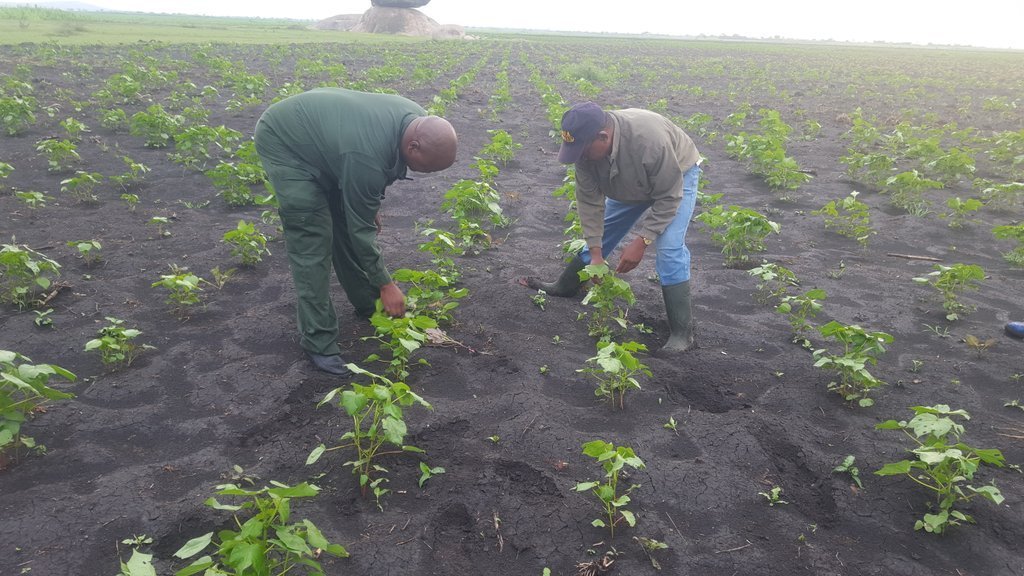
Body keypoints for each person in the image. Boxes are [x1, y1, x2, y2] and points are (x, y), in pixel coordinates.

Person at [254, 87, 457, 376]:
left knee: (344, 226)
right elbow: (361, 229)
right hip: (287, 142)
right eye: (426, 168)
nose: (426, 174)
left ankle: (368, 305)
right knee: (313, 240)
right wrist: (387, 284)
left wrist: (365, 202)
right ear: (413, 146)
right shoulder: (366, 156)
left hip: (333, 148)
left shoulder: (415, 120)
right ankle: (318, 341)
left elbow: (369, 179)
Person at [525, 101, 702, 354]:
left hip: (676, 176)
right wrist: (596, 256)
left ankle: (682, 334)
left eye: (583, 150)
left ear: (603, 137)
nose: (580, 157)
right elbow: (589, 203)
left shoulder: (650, 140)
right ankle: (565, 286)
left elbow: (669, 197)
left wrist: (643, 240)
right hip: (629, 179)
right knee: (603, 232)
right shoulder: (586, 152)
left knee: (670, 248)